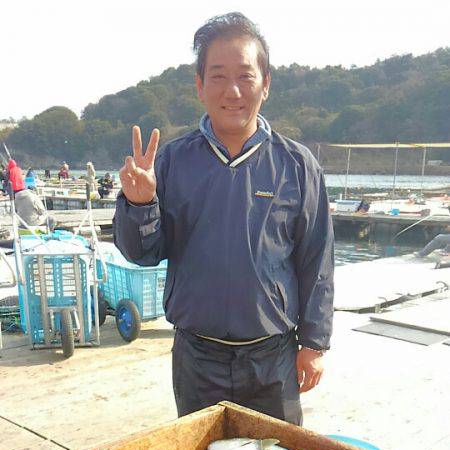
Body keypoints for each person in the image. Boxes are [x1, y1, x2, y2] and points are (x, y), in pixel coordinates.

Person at [113, 12, 334, 426]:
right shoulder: (171, 162)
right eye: (217, 76)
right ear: (199, 86)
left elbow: (316, 261)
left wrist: (314, 344)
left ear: (265, 85)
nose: (232, 91)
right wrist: (140, 204)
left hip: (273, 357)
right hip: (198, 356)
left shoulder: (297, 165)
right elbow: (142, 254)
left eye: (245, 76)